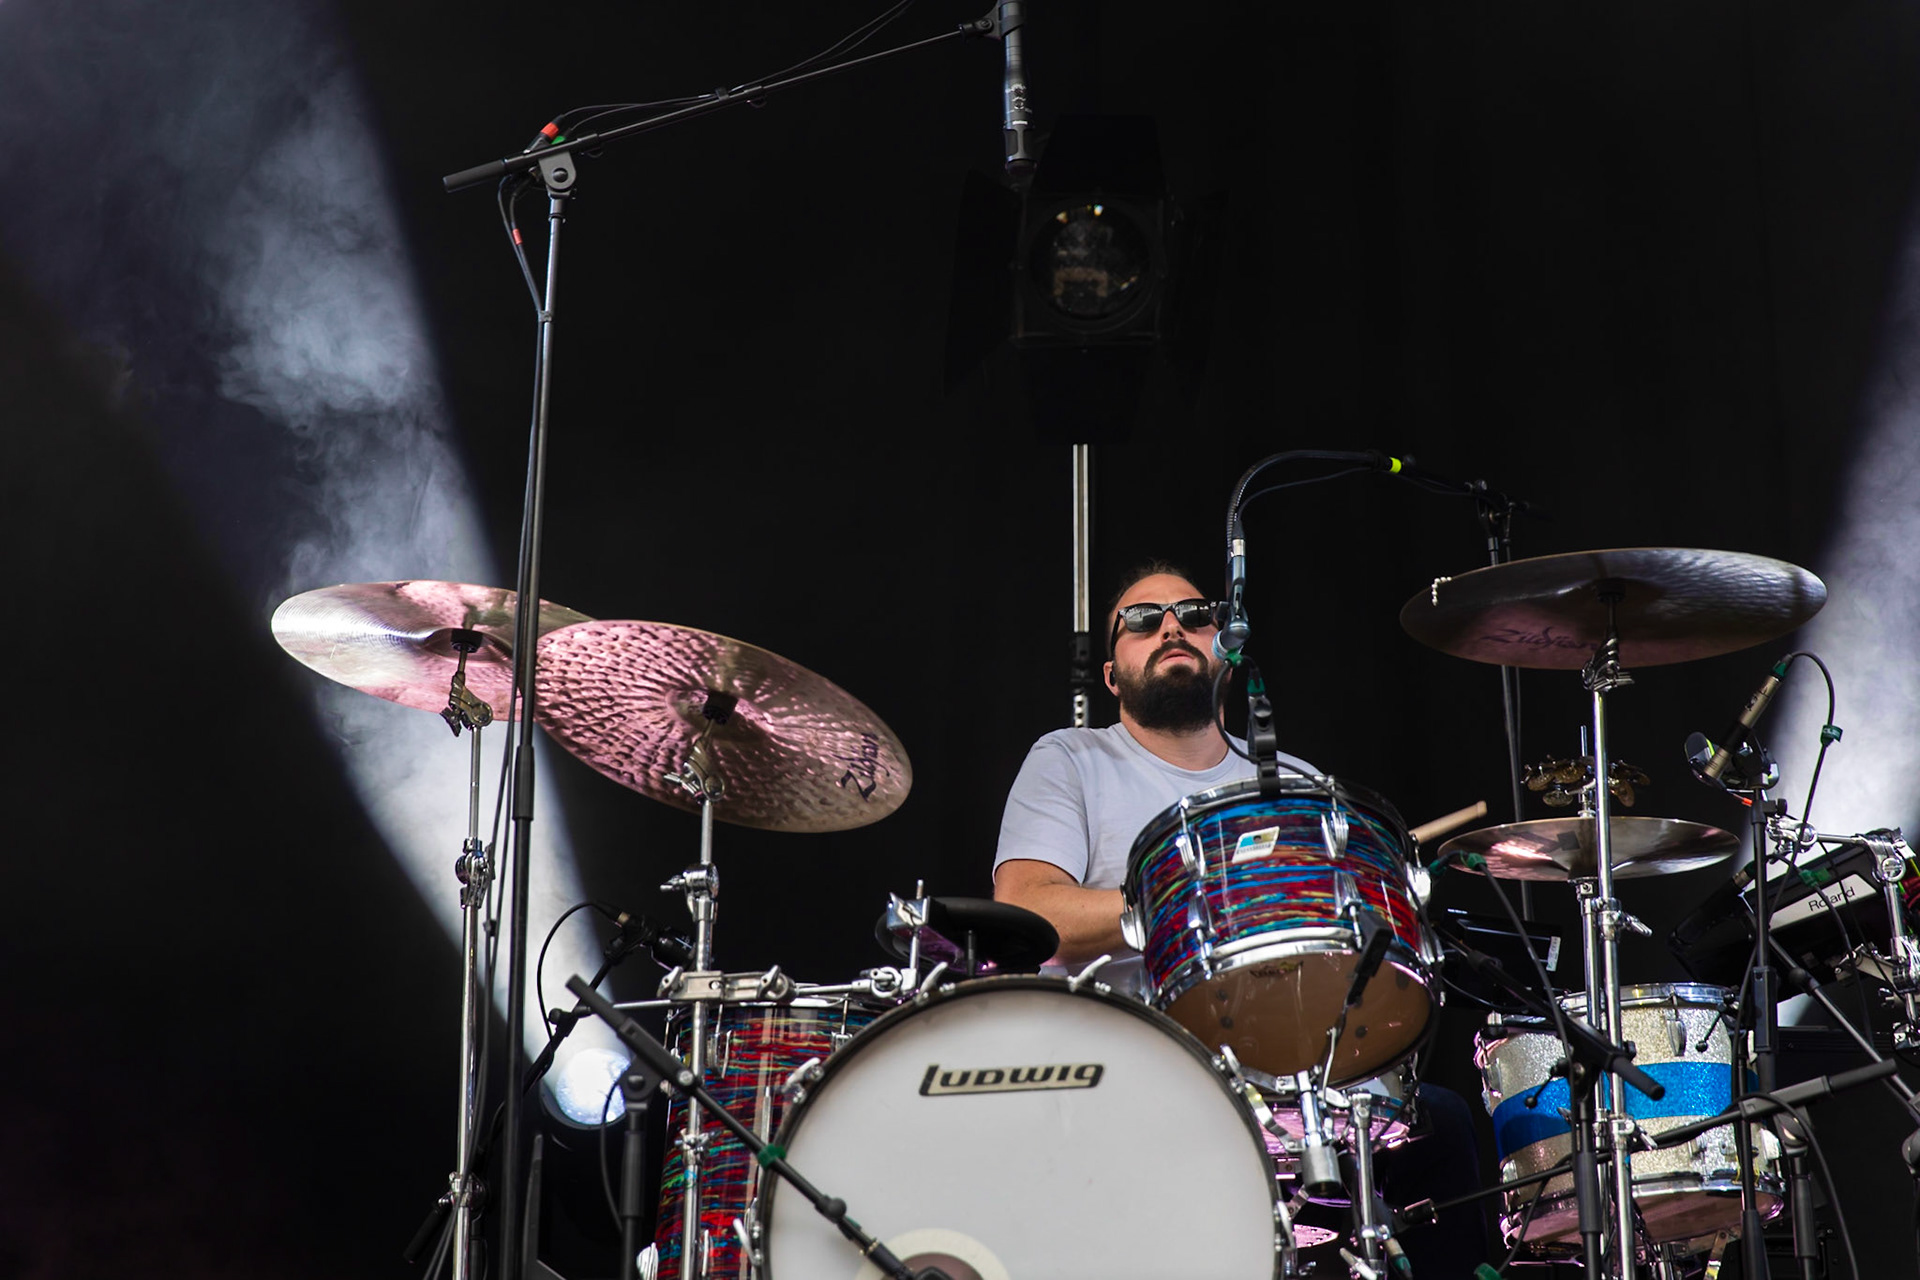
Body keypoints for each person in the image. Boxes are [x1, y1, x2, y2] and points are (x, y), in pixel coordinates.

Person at [992, 560, 1490, 1273]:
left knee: (1440, 1123)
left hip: (1295, 1074)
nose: (1171, 628)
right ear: (1111, 676)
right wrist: (1187, 903)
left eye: (1196, 615)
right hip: (1132, 1069)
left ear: (1224, 647)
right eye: (1142, 621)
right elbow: (1027, 909)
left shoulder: (1297, 786)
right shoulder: (1073, 758)